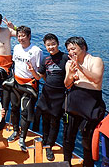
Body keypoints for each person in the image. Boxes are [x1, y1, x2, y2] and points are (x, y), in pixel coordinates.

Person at [63, 36, 105, 167]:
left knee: (88, 141)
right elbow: (67, 84)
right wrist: (70, 73)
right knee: (68, 138)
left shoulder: (96, 61)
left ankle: (88, 165)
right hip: (73, 103)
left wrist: (80, 68)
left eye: (73, 48)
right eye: (69, 49)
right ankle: (66, 163)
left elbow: (96, 79)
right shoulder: (69, 63)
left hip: (91, 105)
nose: (71, 52)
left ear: (83, 47)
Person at [5, 25, 43, 152]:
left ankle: (22, 137)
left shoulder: (36, 50)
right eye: (19, 36)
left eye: (23, 36)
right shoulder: (16, 47)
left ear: (29, 36)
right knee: (14, 108)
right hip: (16, 83)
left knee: (25, 113)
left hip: (28, 86)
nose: (20, 38)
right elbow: (15, 64)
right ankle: (15, 131)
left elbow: (39, 71)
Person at [35, 33, 68, 161]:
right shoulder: (46, 59)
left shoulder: (65, 58)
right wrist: (32, 71)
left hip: (59, 95)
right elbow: (41, 75)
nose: (51, 47)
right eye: (48, 45)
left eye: (53, 44)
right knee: (45, 120)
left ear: (58, 44)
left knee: (55, 122)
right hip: (46, 94)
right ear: (45, 46)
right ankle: (44, 141)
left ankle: (49, 147)